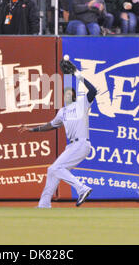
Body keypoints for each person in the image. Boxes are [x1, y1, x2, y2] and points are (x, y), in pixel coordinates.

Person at [19, 61, 98, 208]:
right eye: (65, 93)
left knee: (55, 169)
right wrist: (32, 129)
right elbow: (51, 125)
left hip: (81, 143)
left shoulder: (82, 103)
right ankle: (44, 204)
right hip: (72, 146)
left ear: (74, 95)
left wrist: (77, 74)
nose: (67, 94)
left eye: (69, 92)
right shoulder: (62, 112)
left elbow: (93, 90)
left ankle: (82, 189)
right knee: (52, 170)